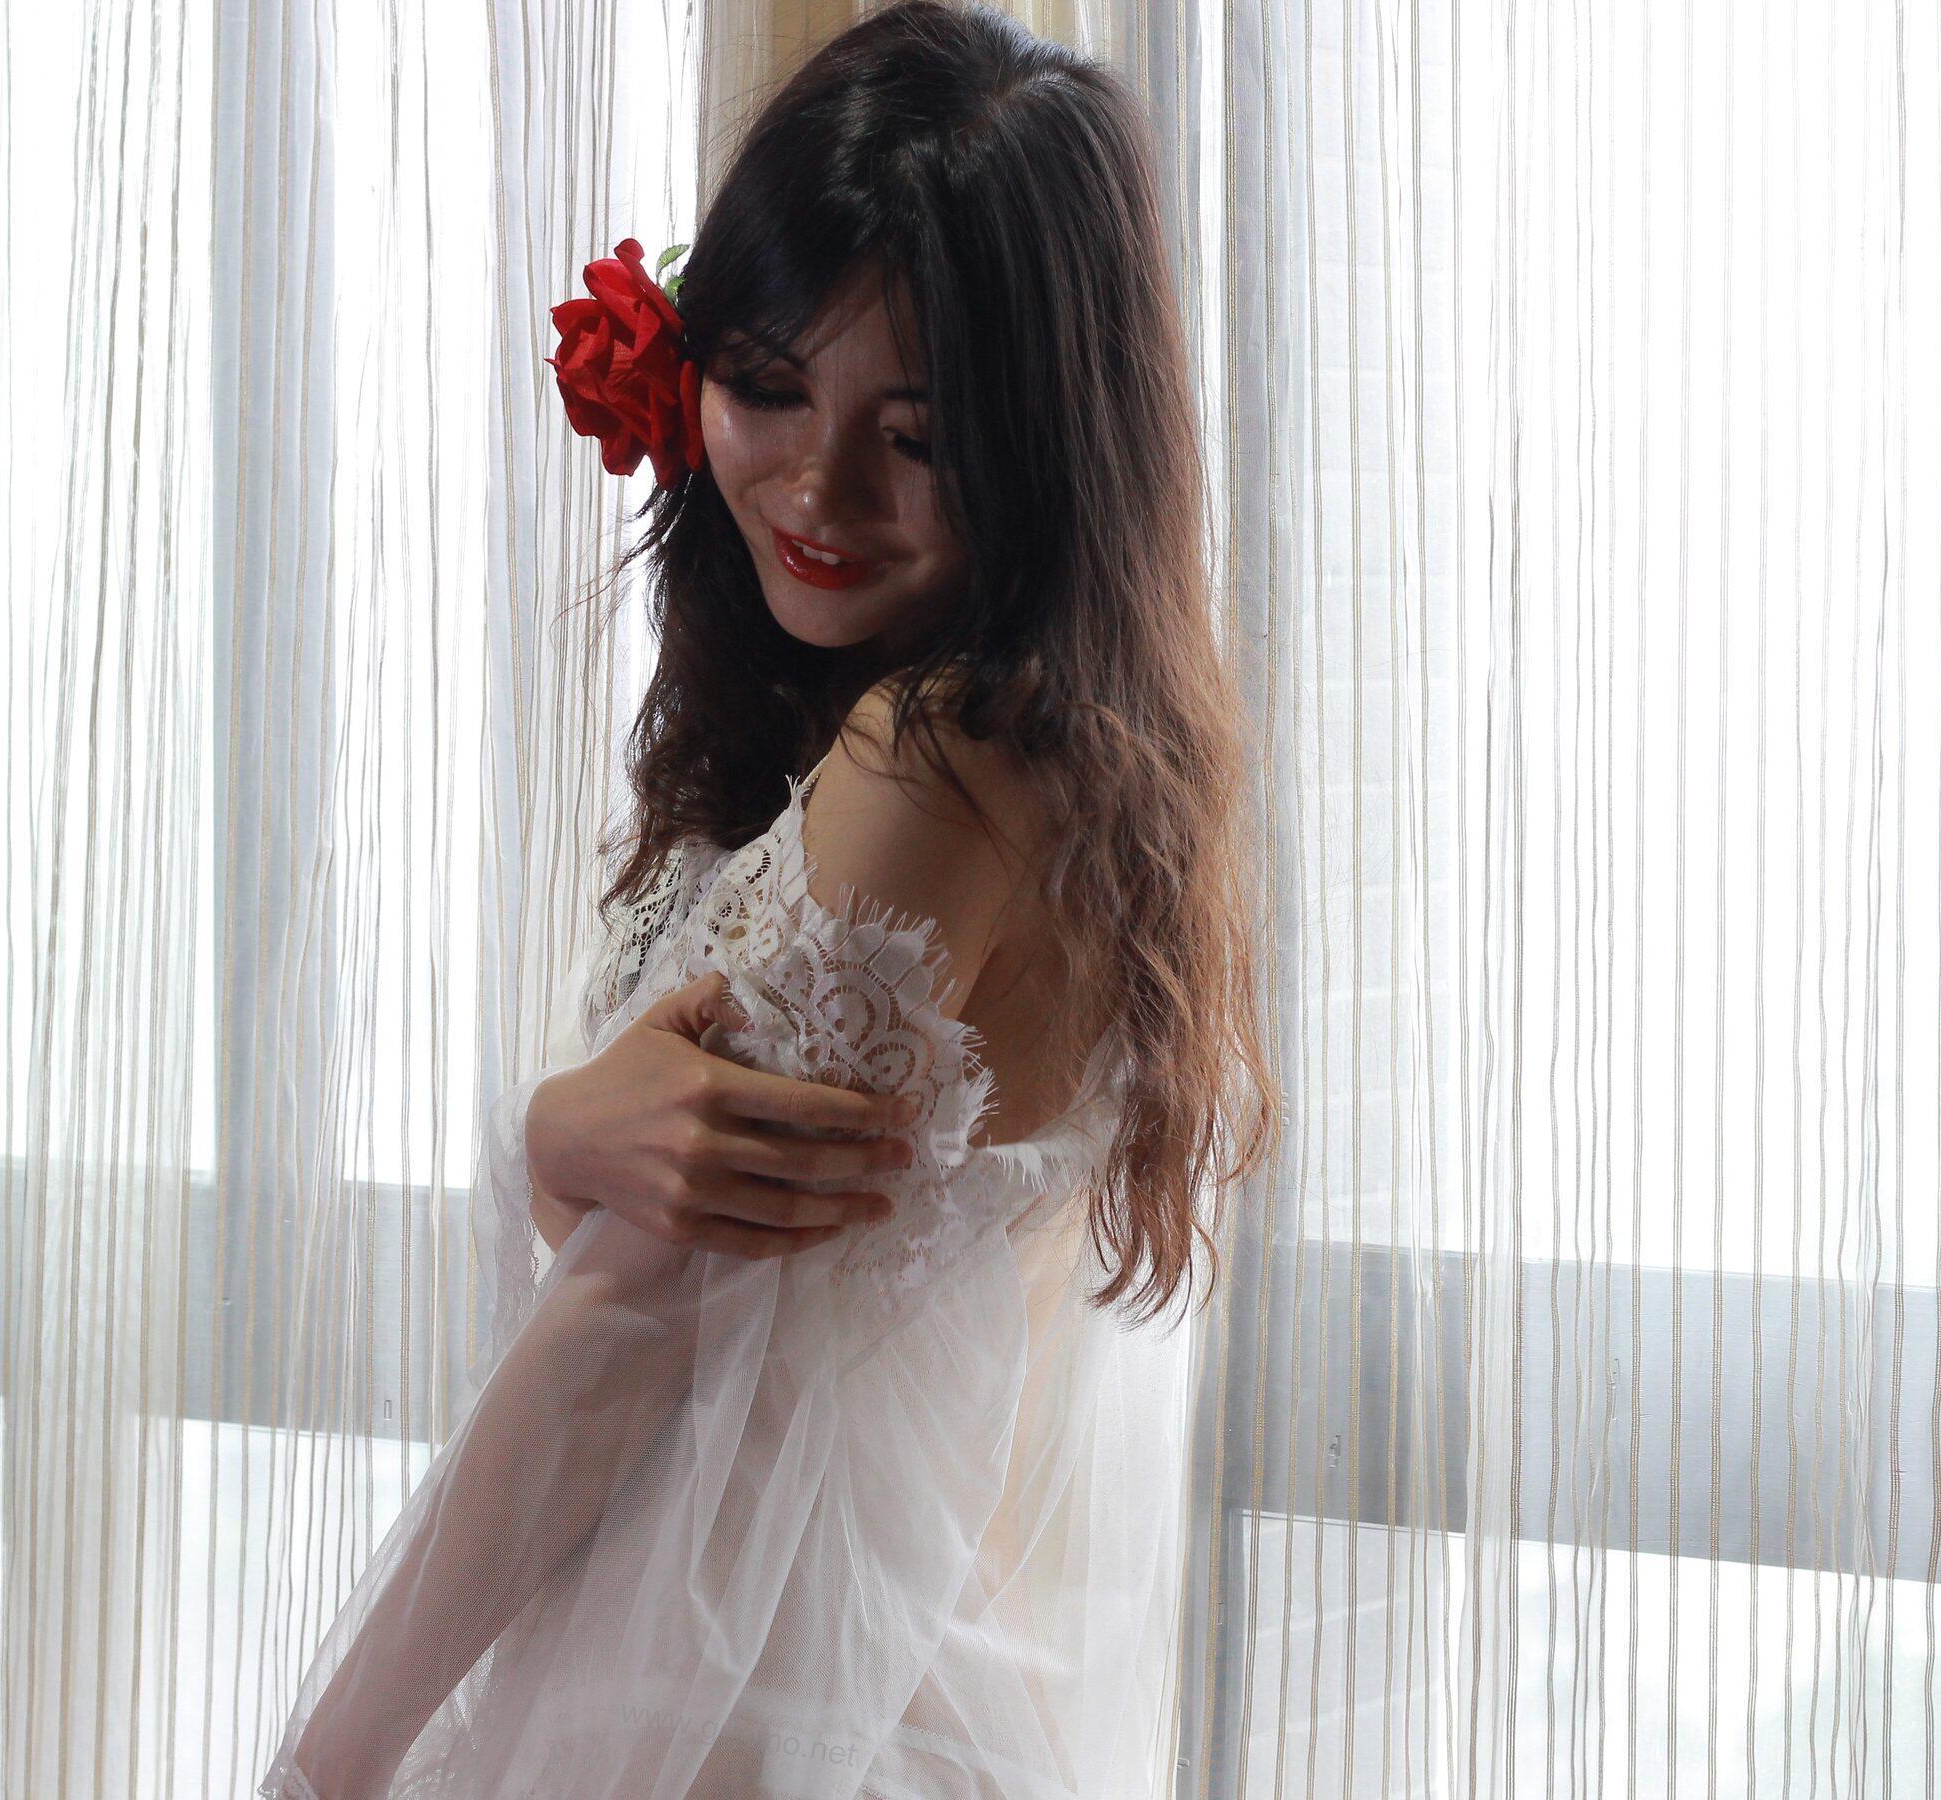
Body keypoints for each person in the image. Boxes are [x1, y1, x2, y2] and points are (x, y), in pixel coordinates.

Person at [257, 5, 1273, 1795]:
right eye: (769, 386)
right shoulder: (1020, 742)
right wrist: (564, 1130)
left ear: (1048, 447)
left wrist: (325, 1763)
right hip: (773, 1692)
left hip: (753, 1718)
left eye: (920, 435)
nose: (817, 486)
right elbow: (710, 1277)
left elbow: (629, 1336)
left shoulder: (939, 758)